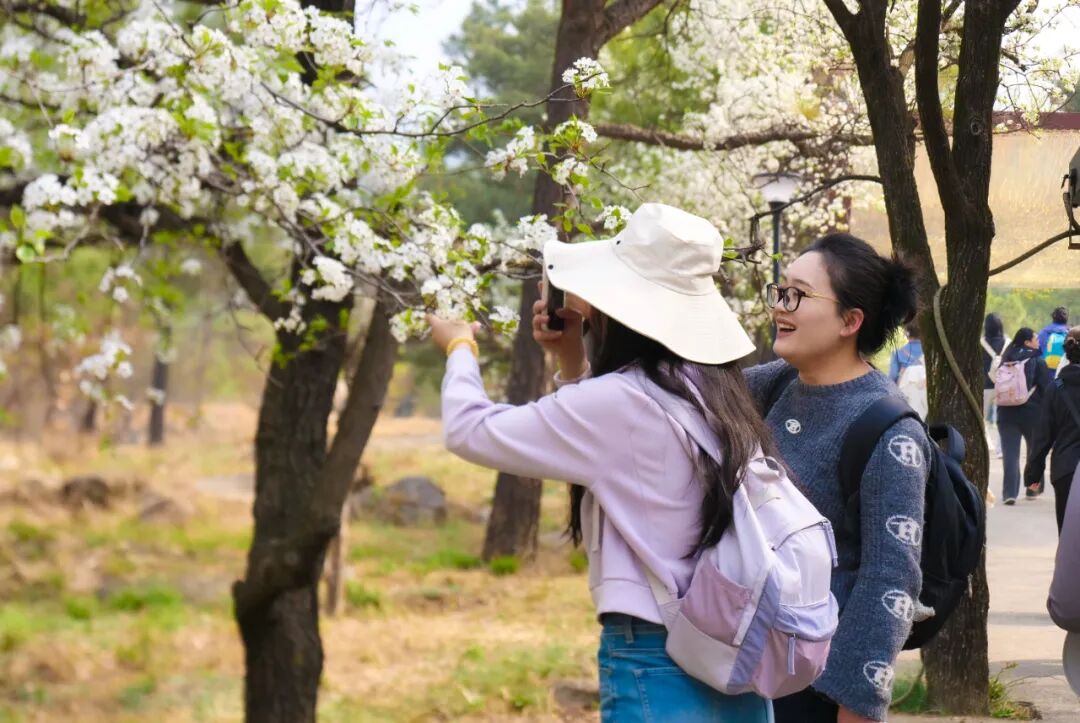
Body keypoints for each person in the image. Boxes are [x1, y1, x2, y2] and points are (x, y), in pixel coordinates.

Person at [430, 203, 773, 721]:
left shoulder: (623, 400)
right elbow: (620, 456)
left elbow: (469, 430)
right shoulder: (714, 389)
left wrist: (458, 345)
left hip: (655, 656)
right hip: (731, 651)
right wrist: (573, 361)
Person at [750, 234, 931, 723]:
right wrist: (576, 355)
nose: (780, 306)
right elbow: (673, 399)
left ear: (851, 322)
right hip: (744, 665)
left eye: (799, 295)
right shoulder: (774, 385)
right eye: (780, 291)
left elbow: (889, 580)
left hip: (814, 691)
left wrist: (855, 706)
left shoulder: (891, 432)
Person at [1025, 327, 1080, 531]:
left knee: (1067, 534)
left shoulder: (1056, 389)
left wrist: (1034, 473)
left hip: (1065, 468)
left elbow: (1043, 435)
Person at [997, 327, 1052, 504]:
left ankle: (1009, 494)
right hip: (1033, 414)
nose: (1038, 342)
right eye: (1035, 339)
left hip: (1006, 413)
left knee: (1010, 454)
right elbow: (1047, 390)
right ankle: (1032, 489)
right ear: (1028, 342)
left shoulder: (1005, 359)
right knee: (1034, 453)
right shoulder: (1038, 361)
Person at [890, 321, 927, 418]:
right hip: (926, 393)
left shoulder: (898, 353)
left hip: (906, 395)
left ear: (906, 332)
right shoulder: (929, 353)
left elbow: (892, 377)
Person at [981, 313, 1006, 458]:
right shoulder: (1007, 342)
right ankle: (1000, 449)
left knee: (982, 417)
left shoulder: (980, 342)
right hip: (1002, 385)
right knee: (1001, 419)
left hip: (985, 385)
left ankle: (987, 444)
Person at [1038, 306, 1069, 371]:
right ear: (1066, 319)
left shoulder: (1043, 333)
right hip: (1064, 371)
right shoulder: (1070, 334)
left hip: (1045, 370)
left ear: (1053, 318)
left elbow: (1037, 351)